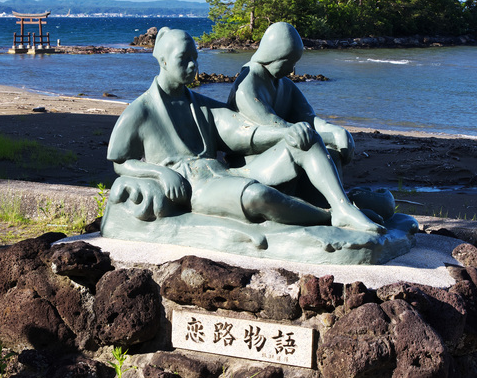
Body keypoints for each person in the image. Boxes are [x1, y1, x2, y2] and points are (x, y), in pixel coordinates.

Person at [106, 28, 383, 234]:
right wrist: (160, 173)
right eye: (184, 59)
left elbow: (241, 132)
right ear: (164, 61)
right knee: (256, 196)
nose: (193, 66)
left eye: (195, 58)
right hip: (196, 187)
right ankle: (329, 217)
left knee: (305, 140)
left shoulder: (201, 105)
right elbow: (120, 162)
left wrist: (285, 133)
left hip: (222, 174)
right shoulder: (140, 111)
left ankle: (343, 208)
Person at [228, 22, 354, 170]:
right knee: (313, 148)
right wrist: (330, 137)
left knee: (332, 154)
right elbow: (276, 126)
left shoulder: (285, 84)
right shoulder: (245, 87)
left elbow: (308, 117)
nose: (292, 69)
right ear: (274, 56)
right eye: (289, 62)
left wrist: (335, 130)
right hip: (251, 157)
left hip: (280, 146)